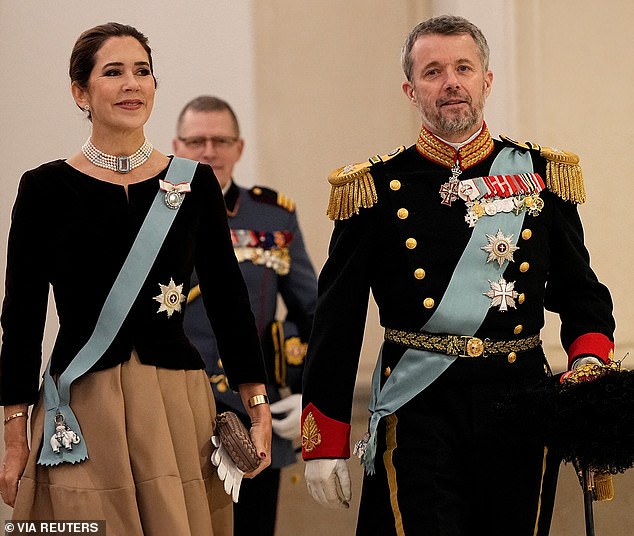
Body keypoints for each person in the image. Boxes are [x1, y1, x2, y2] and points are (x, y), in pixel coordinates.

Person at [301, 14, 615, 536]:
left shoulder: (540, 175)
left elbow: (582, 293)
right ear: (410, 89)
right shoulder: (375, 188)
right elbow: (336, 321)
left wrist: (587, 365)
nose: (451, 82)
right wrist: (325, 440)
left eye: (463, 68)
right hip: (418, 406)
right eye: (433, 71)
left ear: (486, 80)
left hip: (520, 402)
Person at [0, 23, 271, 536]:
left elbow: (229, 301)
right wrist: (14, 438)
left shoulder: (194, 185)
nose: (132, 84)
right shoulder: (44, 189)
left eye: (142, 71)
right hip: (82, 405)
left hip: (175, 405)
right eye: (113, 72)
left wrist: (255, 403)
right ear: (80, 91)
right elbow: (23, 314)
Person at [173, 96, 317, 535]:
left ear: (240, 147)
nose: (209, 151)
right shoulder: (152, 217)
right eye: (197, 141)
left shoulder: (273, 217)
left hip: (254, 409)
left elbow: (313, 312)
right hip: (178, 407)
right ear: (176, 146)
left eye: (221, 140)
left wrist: (298, 382)